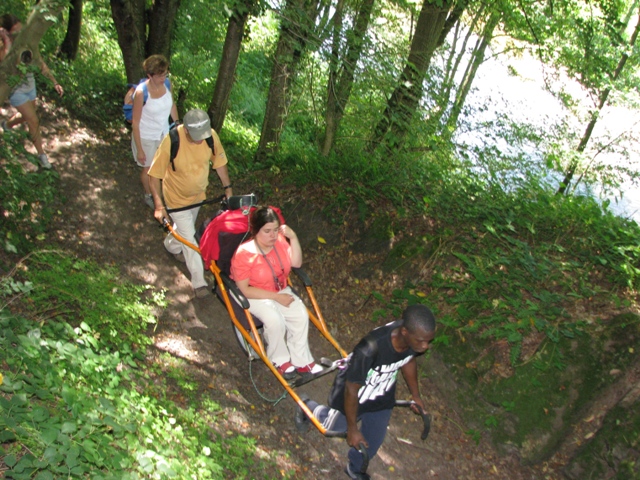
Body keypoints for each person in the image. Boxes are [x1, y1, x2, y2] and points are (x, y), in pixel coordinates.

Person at [297, 304, 436, 480]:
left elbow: (408, 361)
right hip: (353, 394)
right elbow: (351, 388)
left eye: (428, 341)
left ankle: (355, 467)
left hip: (381, 396)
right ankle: (308, 407)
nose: (425, 346)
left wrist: (416, 396)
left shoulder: (411, 341)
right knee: (335, 427)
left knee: (374, 439)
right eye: (422, 341)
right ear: (405, 332)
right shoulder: (370, 347)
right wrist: (353, 428)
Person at [230, 206, 323, 379]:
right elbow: (244, 289)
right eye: (267, 231)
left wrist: (293, 237)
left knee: (300, 314)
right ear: (256, 230)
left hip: (279, 288)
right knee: (274, 319)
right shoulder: (244, 253)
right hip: (255, 293)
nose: (272, 235)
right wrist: (276, 298)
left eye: (275, 230)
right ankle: (279, 359)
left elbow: (296, 263)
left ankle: (301, 360)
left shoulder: (280, 241)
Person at [148, 108, 232, 298]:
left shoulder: (210, 137)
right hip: (176, 199)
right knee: (190, 238)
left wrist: (228, 188)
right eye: (196, 136)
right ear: (185, 130)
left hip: (197, 197)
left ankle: (171, 244)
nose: (201, 140)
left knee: (182, 236)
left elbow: (219, 163)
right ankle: (199, 282)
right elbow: (154, 176)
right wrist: (159, 205)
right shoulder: (171, 141)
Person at [0, 13, 63, 170]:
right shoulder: (3, 50)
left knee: (27, 116)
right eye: (15, 32)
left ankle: (6, 125)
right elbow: (6, 63)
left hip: (30, 87)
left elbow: (41, 64)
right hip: (16, 92)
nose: (20, 34)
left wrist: (54, 82)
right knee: (33, 121)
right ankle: (42, 156)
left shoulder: (28, 45)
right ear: (8, 33)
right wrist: (7, 41)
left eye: (22, 30)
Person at [131, 54, 179, 209]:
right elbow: (135, 123)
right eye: (160, 75)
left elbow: (172, 105)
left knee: (162, 167)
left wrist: (177, 124)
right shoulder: (141, 92)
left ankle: (158, 193)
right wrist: (139, 149)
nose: (163, 77)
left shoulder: (167, 84)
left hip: (163, 134)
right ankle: (149, 195)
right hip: (146, 137)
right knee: (149, 170)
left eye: (165, 73)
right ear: (149, 75)